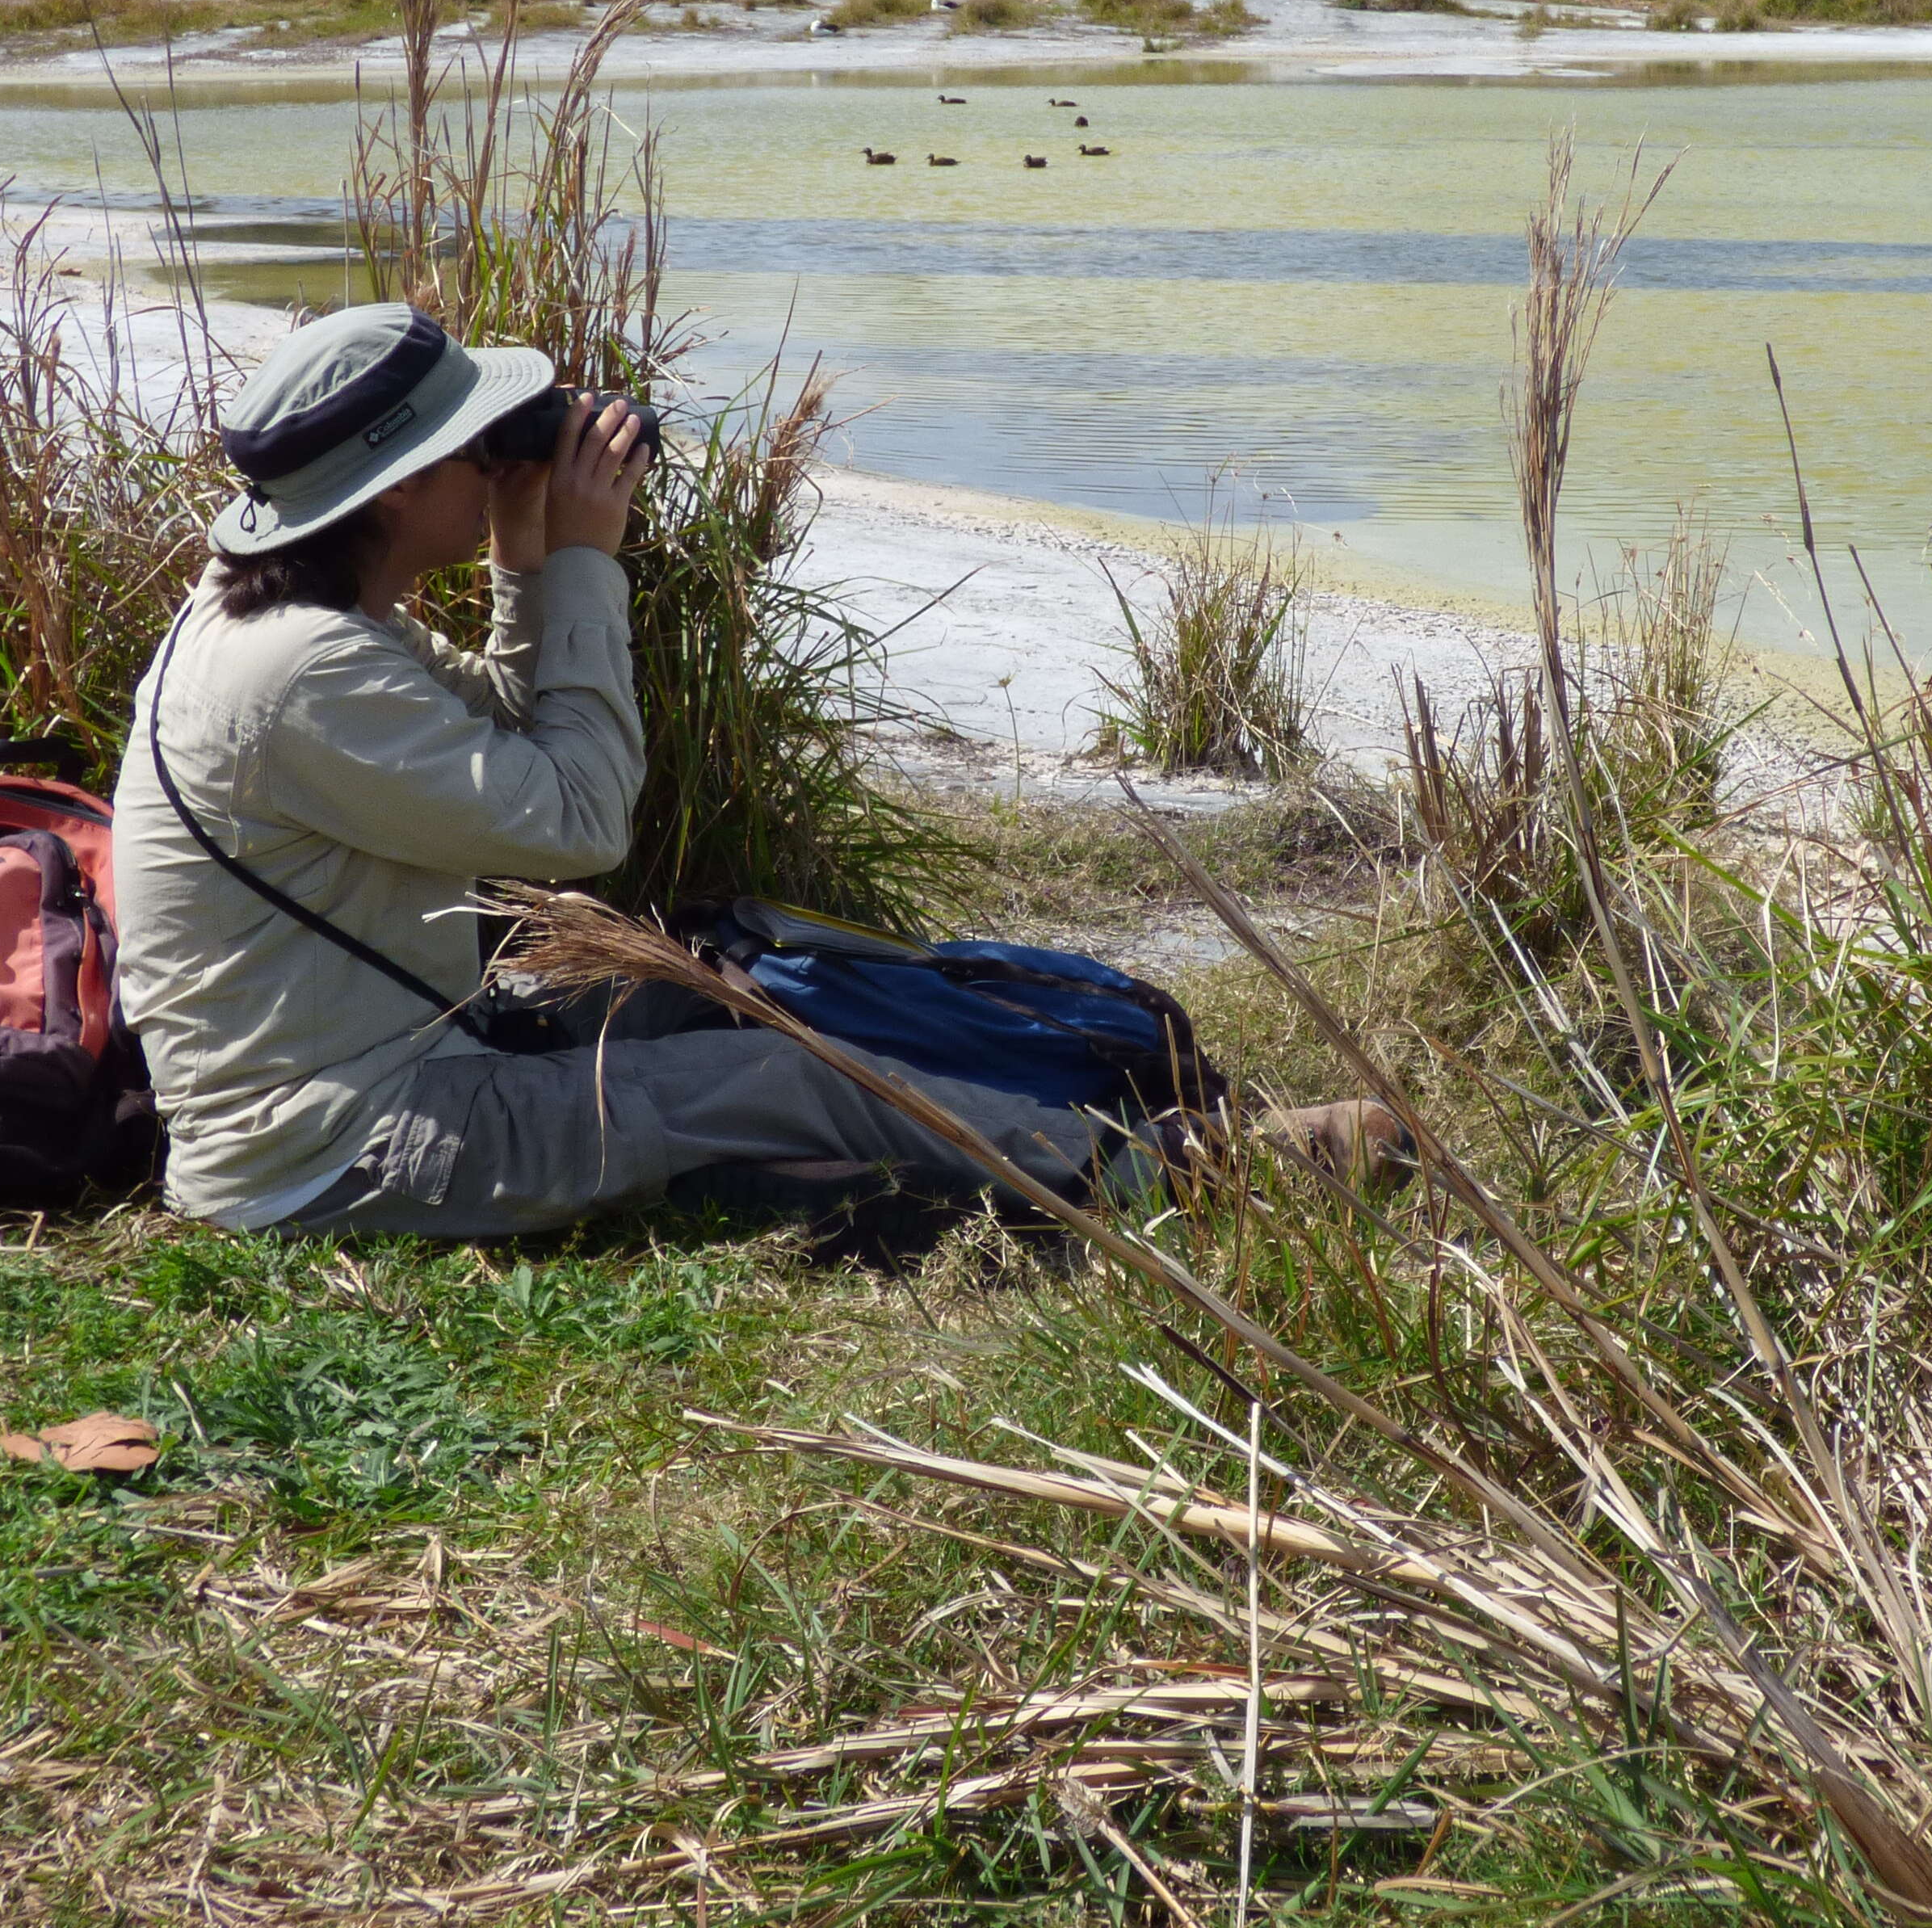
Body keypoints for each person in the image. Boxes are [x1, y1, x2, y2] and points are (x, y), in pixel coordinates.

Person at [115, 305, 1376, 1244]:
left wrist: (525, 562)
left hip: (390, 1074)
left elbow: (492, 735)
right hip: (338, 1154)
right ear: (401, 489)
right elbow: (575, 820)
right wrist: (590, 563)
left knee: (723, 995)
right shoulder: (302, 673)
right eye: (477, 448)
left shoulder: (308, 625)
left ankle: (1042, 1122)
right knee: (770, 1073)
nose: (505, 460)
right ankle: (1173, 1173)